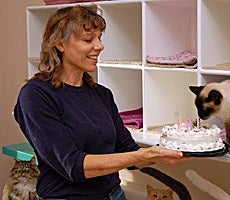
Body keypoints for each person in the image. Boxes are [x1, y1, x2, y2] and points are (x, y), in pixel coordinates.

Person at [14, 5, 190, 200]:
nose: (99, 46)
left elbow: (127, 152)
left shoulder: (101, 95)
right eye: (88, 39)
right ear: (60, 44)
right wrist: (144, 156)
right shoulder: (36, 96)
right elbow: (73, 165)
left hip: (114, 195)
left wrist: (162, 155)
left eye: (99, 38)